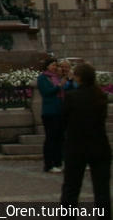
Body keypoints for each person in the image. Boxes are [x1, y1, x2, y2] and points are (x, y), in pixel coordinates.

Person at [60, 63, 111, 215]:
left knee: (71, 188)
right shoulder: (100, 96)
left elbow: (64, 120)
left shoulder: (72, 97)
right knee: (102, 190)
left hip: (76, 146)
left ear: (79, 78)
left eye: (75, 75)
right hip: (100, 146)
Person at [38, 58, 64, 173]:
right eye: (53, 65)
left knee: (60, 138)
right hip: (49, 112)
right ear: (47, 66)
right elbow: (46, 92)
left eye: (56, 65)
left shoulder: (57, 77)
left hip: (60, 111)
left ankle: (58, 162)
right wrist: (59, 86)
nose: (55, 67)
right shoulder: (43, 78)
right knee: (51, 138)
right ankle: (49, 164)